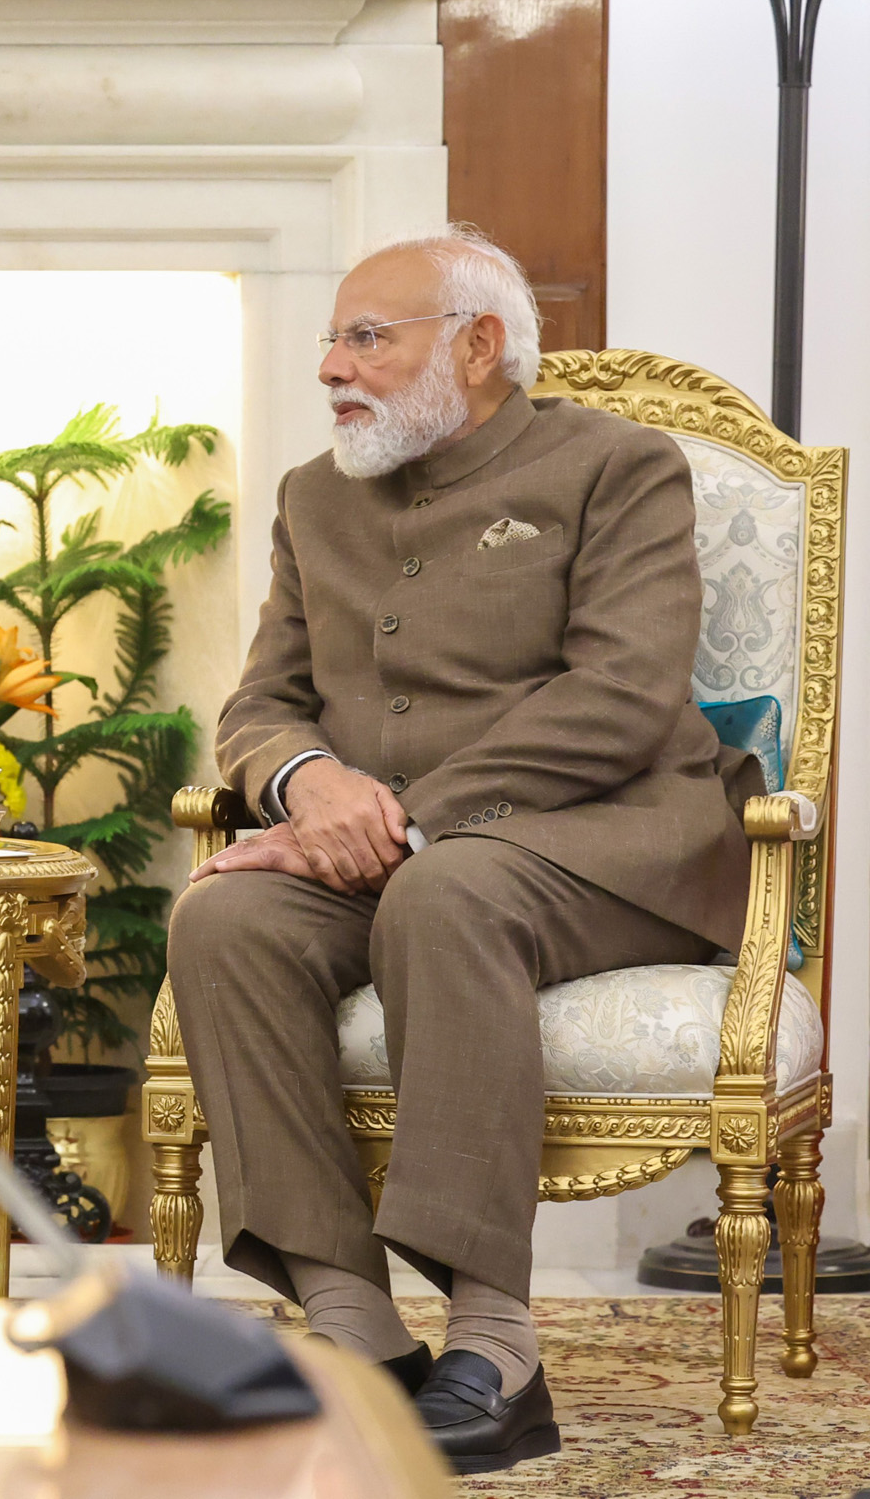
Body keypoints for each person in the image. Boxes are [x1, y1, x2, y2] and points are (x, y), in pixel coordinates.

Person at [164, 226, 756, 1475]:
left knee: (445, 890)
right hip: (400, 850)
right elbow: (261, 702)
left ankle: (496, 1346)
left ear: (478, 346)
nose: (331, 366)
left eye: (365, 338)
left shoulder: (616, 466)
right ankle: (355, 1330)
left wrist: (402, 817)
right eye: (330, 339)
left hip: (606, 841)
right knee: (224, 919)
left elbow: (622, 694)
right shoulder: (313, 496)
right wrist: (307, 784)